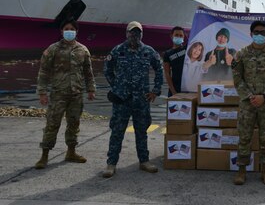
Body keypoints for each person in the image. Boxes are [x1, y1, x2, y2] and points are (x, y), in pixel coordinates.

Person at [102, 21, 164, 178]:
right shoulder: (118, 50)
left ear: (141, 34)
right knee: (117, 131)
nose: (134, 35)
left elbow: (159, 69)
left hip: (141, 100)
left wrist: (155, 91)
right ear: (126, 33)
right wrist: (116, 87)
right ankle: (111, 164)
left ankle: (144, 161)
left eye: (137, 32)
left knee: (141, 131)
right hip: (121, 100)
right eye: (132, 32)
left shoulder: (148, 51)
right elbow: (107, 69)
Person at [34, 19, 96, 169]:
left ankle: (71, 152)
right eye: (66, 28)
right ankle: (44, 156)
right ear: (61, 31)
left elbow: (88, 72)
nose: (69, 31)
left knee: (74, 123)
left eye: (72, 29)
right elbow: (43, 72)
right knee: (52, 124)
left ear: (76, 31)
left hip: (76, 94)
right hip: (58, 94)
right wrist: (42, 92)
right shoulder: (53, 49)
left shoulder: (83, 50)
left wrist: (91, 89)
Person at [231, 21, 265, 186]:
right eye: (256, 32)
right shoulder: (242, 54)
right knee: (244, 137)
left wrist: (264, 96)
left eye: (262, 32)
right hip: (247, 104)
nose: (259, 35)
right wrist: (250, 96)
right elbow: (237, 78)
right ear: (251, 33)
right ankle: (241, 170)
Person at [163, 26, 187, 96]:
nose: (179, 37)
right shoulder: (167, 54)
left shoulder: (188, 48)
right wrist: (173, 91)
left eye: (181, 35)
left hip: (188, 88)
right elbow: (167, 73)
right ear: (171, 36)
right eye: (176, 35)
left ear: (184, 37)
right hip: (175, 89)